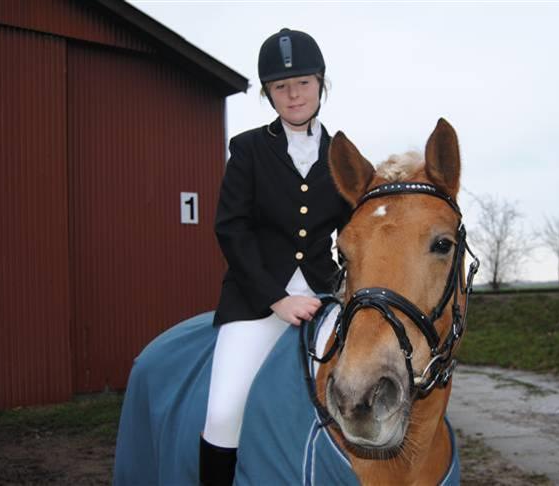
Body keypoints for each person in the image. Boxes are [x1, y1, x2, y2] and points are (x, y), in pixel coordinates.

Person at [199, 28, 351, 485]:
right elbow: (231, 228)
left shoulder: (341, 151)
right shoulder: (247, 149)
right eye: (281, 87)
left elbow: (354, 229)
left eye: (302, 82)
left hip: (326, 298)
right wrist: (276, 300)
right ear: (268, 94)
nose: (293, 94)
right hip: (256, 299)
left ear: (321, 83)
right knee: (225, 411)